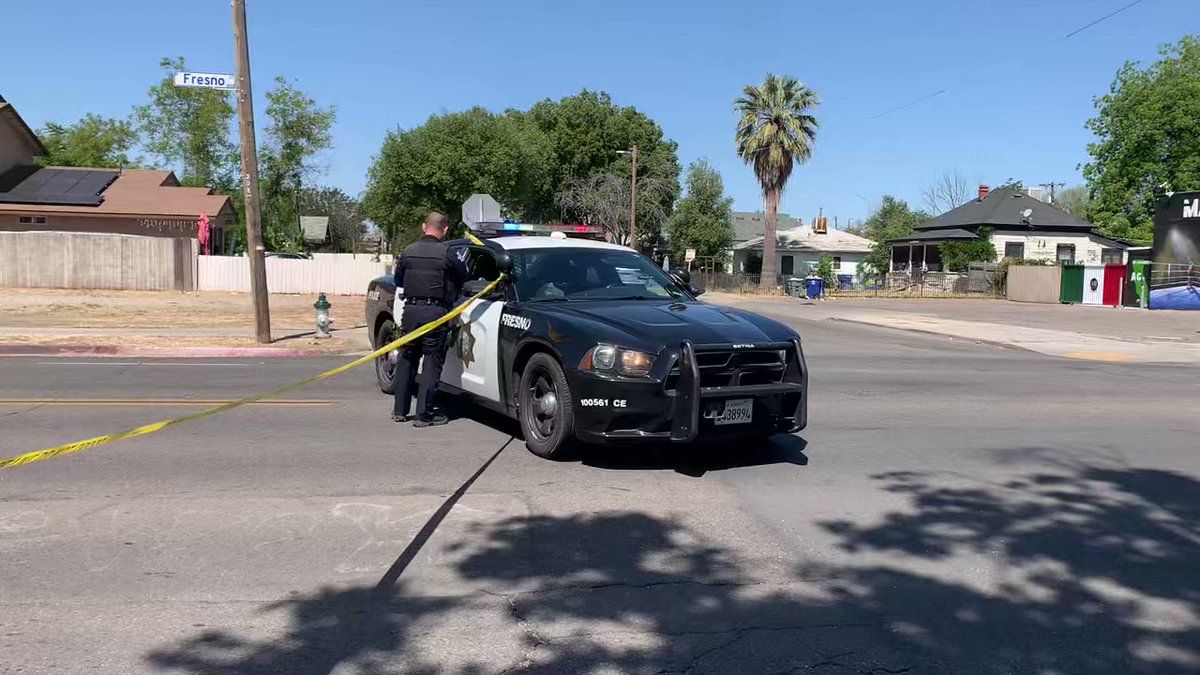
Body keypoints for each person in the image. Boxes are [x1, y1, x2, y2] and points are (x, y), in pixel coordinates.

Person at [392, 211, 468, 427]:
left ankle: (400, 410)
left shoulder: (408, 251)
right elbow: (464, 280)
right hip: (435, 313)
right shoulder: (448, 254)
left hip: (411, 311)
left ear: (424, 226)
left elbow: (399, 280)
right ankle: (424, 415)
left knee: (407, 359)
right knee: (431, 363)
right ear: (445, 230)